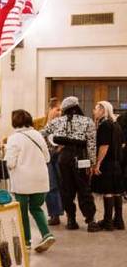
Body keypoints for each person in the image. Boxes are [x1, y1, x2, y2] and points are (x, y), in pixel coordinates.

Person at [42, 96, 97, 232]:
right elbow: (91, 145)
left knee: (66, 189)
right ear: (77, 106)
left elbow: (42, 134)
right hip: (81, 157)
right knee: (84, 189)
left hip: (64, 158)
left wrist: (52, 145)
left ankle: (71, 220)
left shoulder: (57, 122)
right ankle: (90, 221)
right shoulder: (87, 121)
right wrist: (93, 163)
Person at [5, 109, 55, 252]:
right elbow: (47, 158)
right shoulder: (38, 135)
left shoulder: (14, 138)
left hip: (22, 181)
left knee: (22, 211)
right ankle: (46, 234)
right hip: (41, 180)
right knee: (36, 208)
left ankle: (26, 242)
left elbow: (10, 163)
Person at [92, 101, 124, 231]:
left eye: (96, 108)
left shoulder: (105, 125)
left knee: (108, 192)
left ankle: (108, 222)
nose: (94, 111)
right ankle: (119, 221)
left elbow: (104, 146)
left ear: (102, 110)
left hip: (107, 163)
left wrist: (98, 163)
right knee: (117, 192)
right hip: (117, 163)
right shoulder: (116, 125)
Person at [39, 99, 64, 226]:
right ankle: (55, 214)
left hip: (60, 156)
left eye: (61, 110)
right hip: (46, 157)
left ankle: (65, 213)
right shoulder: (40, 122)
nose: (60, 112)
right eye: (57, 109)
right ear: (50, 109)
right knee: (51, 186)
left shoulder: (63, 123)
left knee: (62, 185)